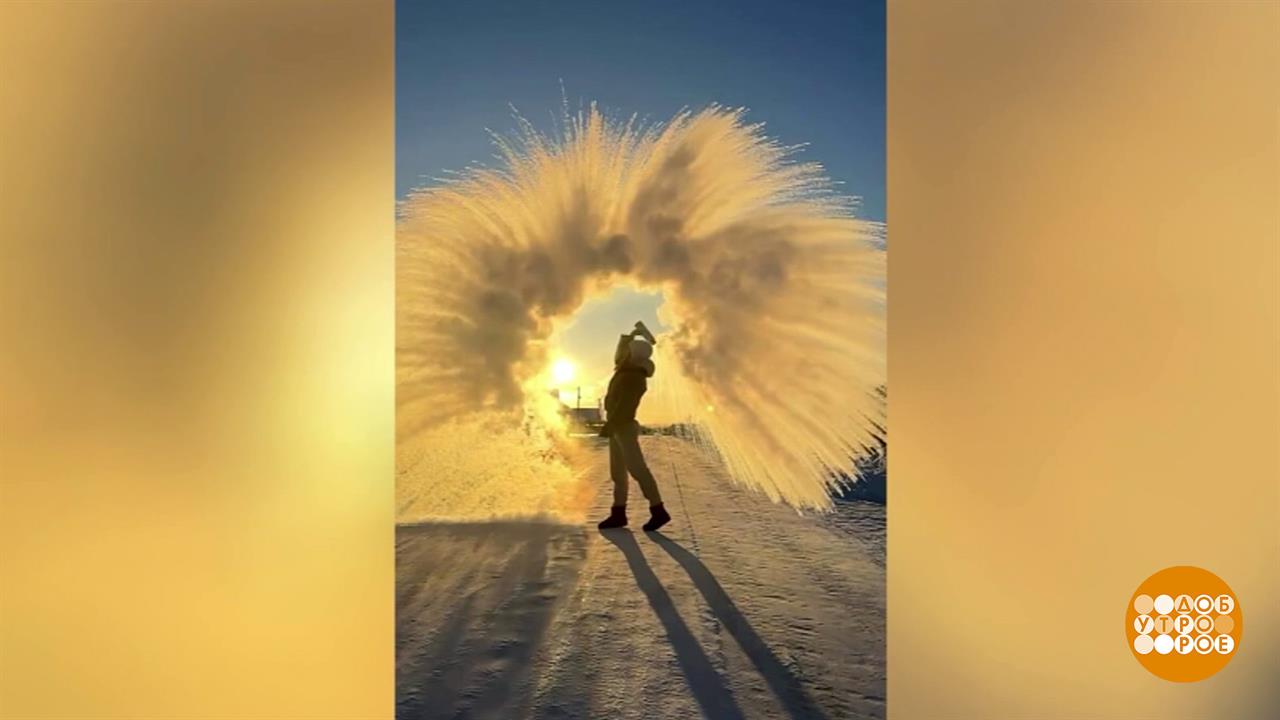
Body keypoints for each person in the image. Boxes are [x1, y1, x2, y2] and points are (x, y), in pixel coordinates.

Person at [597, 321, 671, 532]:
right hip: (617, 426)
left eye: (630, 351)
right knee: (618, 474)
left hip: (624, 426)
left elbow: (625, 407)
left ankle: (658, 510)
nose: (625, 353)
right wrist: (632, 335)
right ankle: (618, 513)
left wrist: (611, 426)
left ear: (636, 355)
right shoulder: (625, 368)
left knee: (637, 470)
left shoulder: (634, 377)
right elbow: (619, 355)